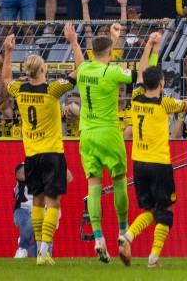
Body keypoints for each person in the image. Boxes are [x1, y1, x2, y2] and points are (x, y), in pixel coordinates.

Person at [65, 23, 145, 263]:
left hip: (87, 135)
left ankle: (98, 238)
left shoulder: (84, 69)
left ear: (92, 52)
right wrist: (149, 48)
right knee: (120, 183)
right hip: (109, 133)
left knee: (94, 187)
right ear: (110, 53)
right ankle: (122, 232)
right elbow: (137, 76)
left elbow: (80, 62)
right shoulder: (111, 72)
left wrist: (73, 42)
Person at [1, 31, 74, 265]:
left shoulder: (20, 92)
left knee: (39, 202)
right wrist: (73, 42)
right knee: (53, 203)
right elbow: (80, 71)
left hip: (31, 156)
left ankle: (41, 254)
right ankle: (43, 252)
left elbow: (5, 79)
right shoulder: (52, 91)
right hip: (52, 153)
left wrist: (8, 51)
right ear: (43, 70)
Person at [117, 32, 185, 268]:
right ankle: (154, 257)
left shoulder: (136, 97)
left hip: (139, 163)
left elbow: (143, 71)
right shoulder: (164, 104)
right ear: (163, 83)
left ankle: (128, 235)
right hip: (159, 164)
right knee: (165, 211)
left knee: (150, 209)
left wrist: (150, 47)